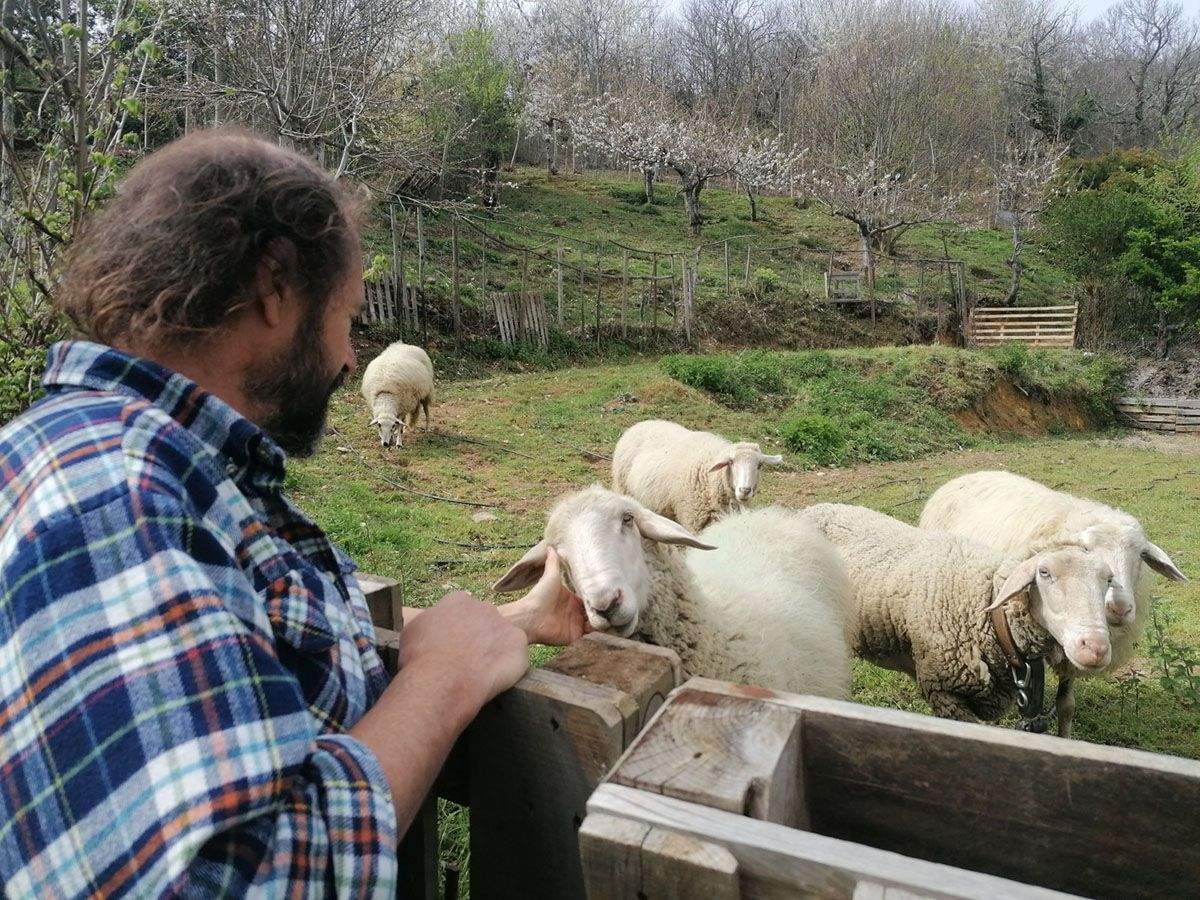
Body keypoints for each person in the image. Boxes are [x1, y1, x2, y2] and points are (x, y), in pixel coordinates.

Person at [0, 129, 589, 896]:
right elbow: (243, 881)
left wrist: (510, 624)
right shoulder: (120, 499)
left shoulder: (130, 467)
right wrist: (440, 686)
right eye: (344, 317)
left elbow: (250, 647)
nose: (349, 359)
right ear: (276, 285)